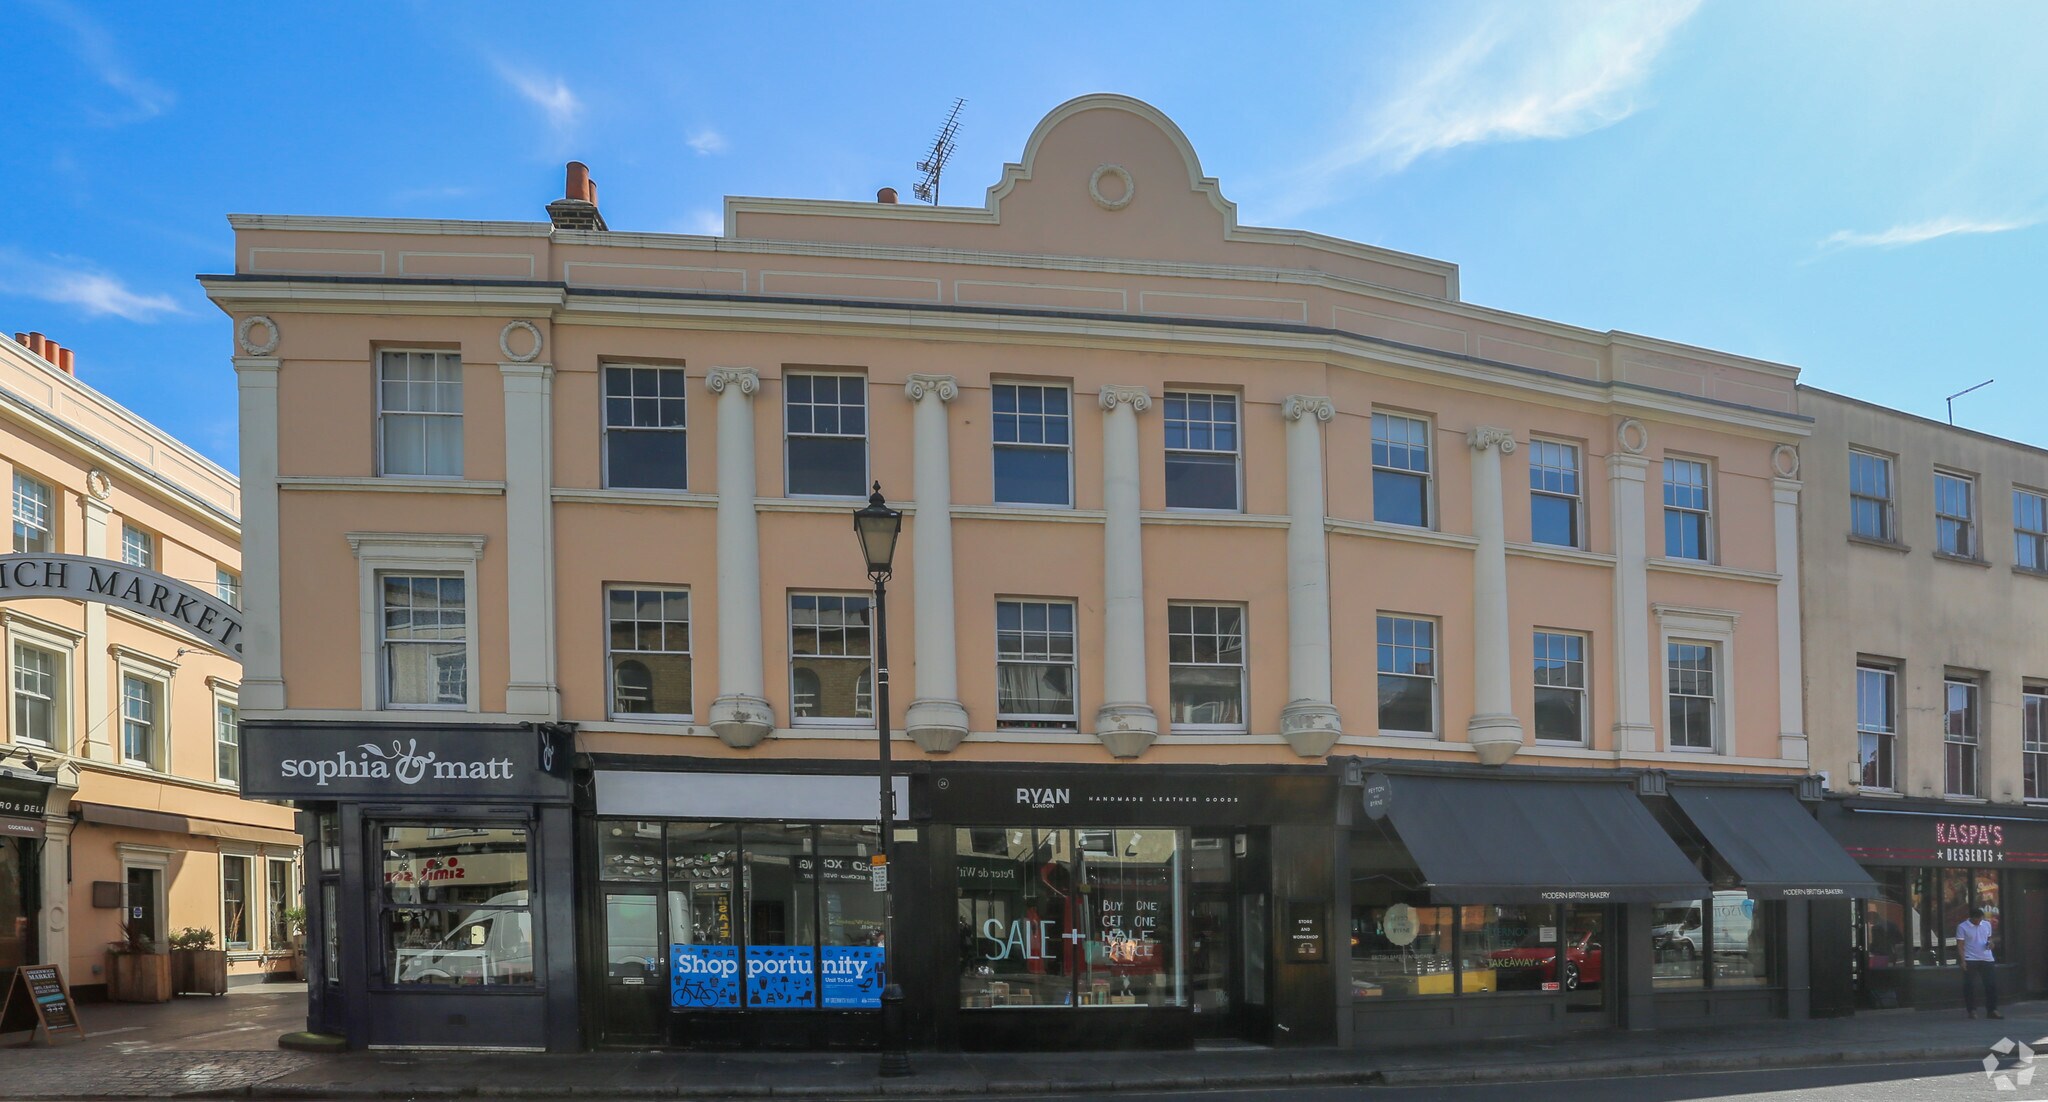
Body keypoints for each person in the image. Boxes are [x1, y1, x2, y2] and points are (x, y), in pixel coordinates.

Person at [1958, 906, 2001, 1019]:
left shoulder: (1986, 924)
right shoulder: (1963, 927)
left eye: (1980, 919)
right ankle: (1972, 1010)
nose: (1979, 922)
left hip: (1987, 958)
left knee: (1991, 984)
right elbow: (1960, 945)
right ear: (1971, 918)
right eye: (1977, 920)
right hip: (1970, 958)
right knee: (1970, 985)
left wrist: (1991, 944)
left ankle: (1992, 1010)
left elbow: (1989, 938)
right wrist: (1963, 961)